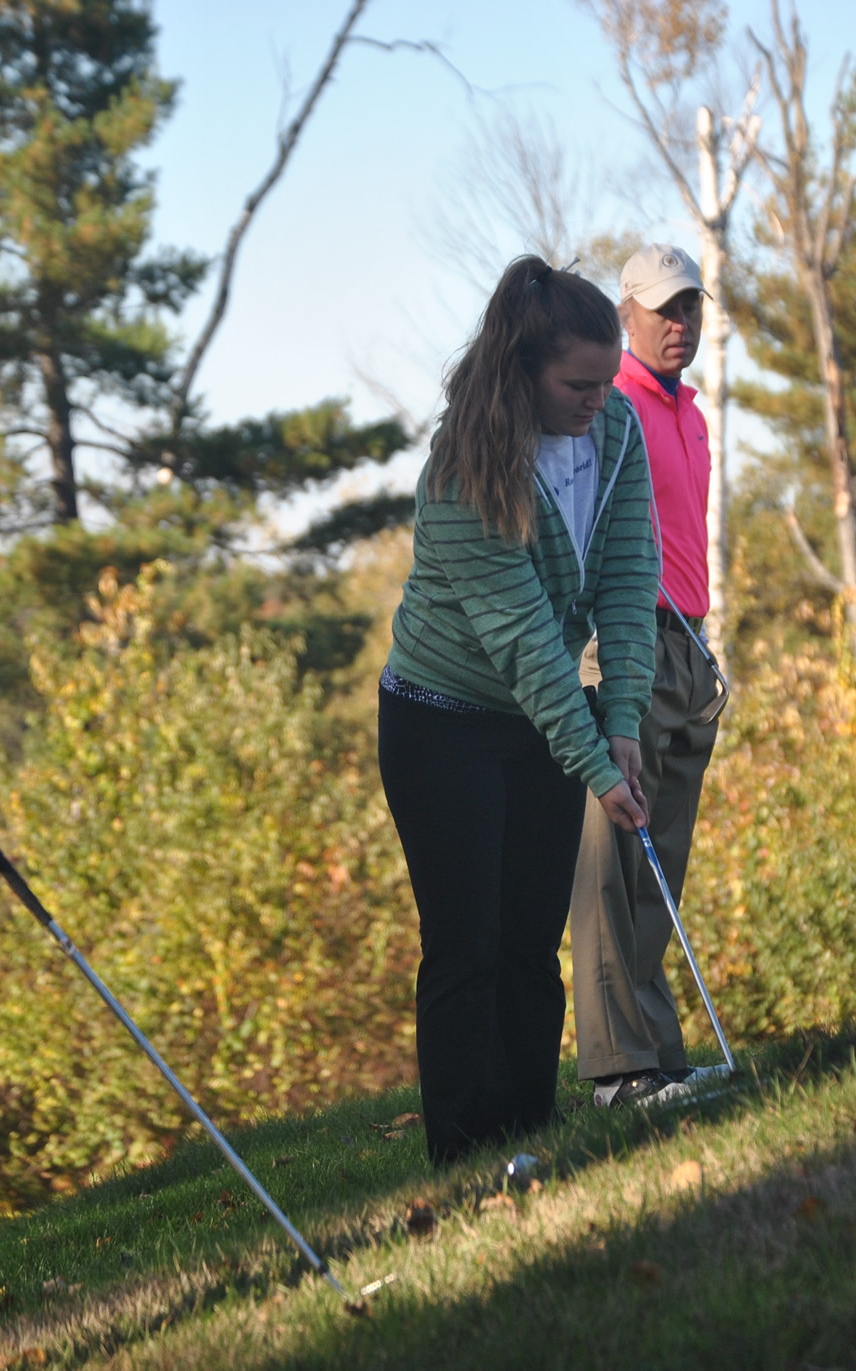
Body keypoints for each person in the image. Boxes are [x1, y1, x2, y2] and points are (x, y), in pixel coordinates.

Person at [380, 255, 660, 1165]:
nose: (597, 398)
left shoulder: (615, 432)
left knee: (534, 937)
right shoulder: (466, 469)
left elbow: (626, 579)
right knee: (469, 941)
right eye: (578, 383)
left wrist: (621, 725)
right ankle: (463, 1154)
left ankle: (529, 1134)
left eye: (606, 379)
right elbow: (528, 642)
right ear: (525, 371)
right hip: (442, 717)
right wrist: (591, 763)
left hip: (541, 720)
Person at [571, 243, 730, 1109]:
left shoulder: (692, 414)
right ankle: (613, 1070)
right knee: (612, 864)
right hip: (621, 643)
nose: (681, 323)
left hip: (689, 648)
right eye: (665, 308)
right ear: (625, 315)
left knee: (662, 862)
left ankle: (658, 1057)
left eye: (692, 307)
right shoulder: (608, 407)